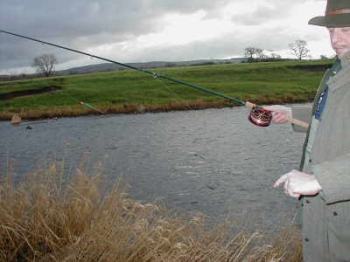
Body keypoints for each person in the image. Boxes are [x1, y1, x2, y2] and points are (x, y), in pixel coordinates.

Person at [267, 0, 350, 261]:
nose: (335, 40)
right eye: (330, 32)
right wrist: (292, 114)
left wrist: (320, 180)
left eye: (346, 30)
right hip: (326, 217)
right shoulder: (339, 70)